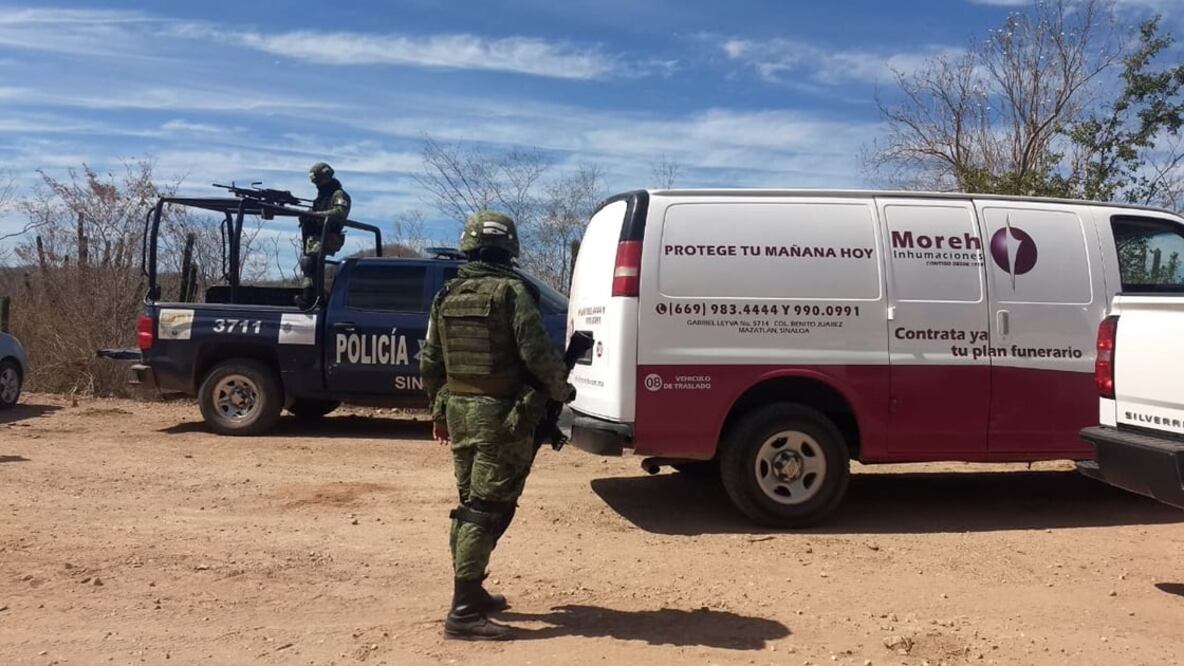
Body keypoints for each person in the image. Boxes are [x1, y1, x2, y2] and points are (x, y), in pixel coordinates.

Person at [420, 210, 575, 641]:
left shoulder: (447, 294)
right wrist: (562, 391)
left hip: (460, 412)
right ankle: (464, 610)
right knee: (486, 510)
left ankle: (473, 589)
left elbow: (430, 361)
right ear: (510, 249)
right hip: (501, 419)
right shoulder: (512, 292)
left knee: (471, 503)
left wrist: (439, 413)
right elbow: (537, 354)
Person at [298, 162, 350, 307]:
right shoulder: (321, 196)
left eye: (318, 181)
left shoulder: (339, 194)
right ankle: (311, 296)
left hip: (329, 235)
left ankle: (312, 298)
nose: (317, 184)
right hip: (314, 236)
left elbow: (339, 212)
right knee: (309, 265)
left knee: (310, 263)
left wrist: (315, 215)